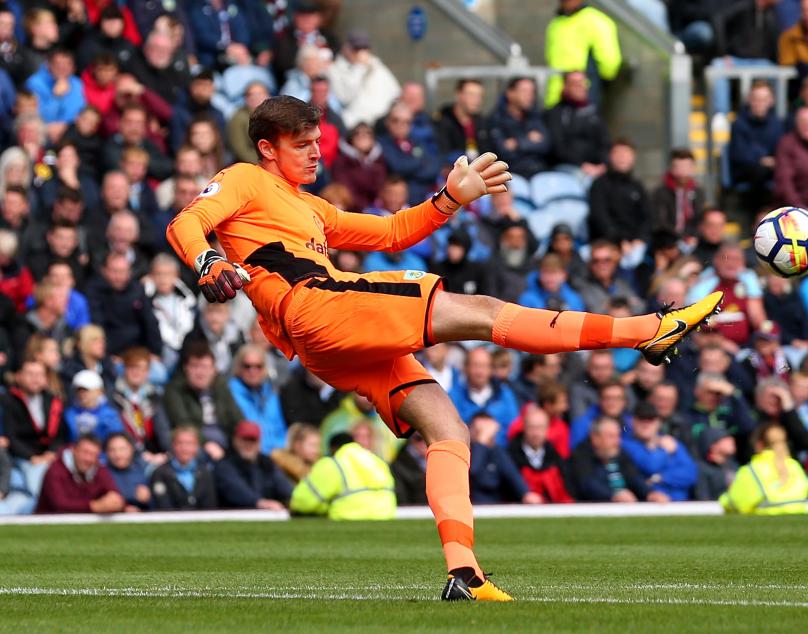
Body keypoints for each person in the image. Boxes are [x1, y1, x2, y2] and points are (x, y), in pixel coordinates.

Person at [165, 95, 723, 601]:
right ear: (267, 147)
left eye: (317, 141)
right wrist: (207, 260)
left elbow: (387, 234)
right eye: (301, 144)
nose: (315, 153)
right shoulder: (243, 178)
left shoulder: (312, 208)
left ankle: (464, 573)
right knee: (479, 311)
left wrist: (450, 198)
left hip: (325, 342)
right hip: (318, 306)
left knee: (448, 430)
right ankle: (649, 329)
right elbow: (188, 222)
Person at [1, 359, 68, 504]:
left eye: (39, 375)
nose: (35, 379)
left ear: (45, 379)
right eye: (30, 374)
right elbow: (11, 436)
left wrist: (52, 452)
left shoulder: (53, 401)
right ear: (19, 376)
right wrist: (32, 457)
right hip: (22, 457)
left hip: (49, 455)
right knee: (35, 480)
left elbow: (60, 434)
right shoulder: (8, 401)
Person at [163, 341, 244, 461]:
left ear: (213, 370)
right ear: (186, 369)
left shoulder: (221, 387)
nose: (200, 373)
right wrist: (206, 444)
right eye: (195, 366)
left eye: (205, 367)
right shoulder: (175, 390)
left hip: (226, 442)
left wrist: (244, 437)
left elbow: (236, 418)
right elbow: (183, 422)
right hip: (196, 445)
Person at [85, 252, 163, 358]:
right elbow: (97, 326)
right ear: (104, 271)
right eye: (114, 271)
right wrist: (107, 357)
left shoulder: (138, 290)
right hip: (107, 354)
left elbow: (150, 322)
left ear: (129, 272)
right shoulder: (94, 291)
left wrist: (155, 352)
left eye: (123, 271)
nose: (118, 276)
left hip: (137, 353)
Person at [544, 0, 621, 107]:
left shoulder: (596, 21)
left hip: (583, 98)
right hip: (555, 100)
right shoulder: (555, 25)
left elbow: (610, 65)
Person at [720, 424, 808, 514]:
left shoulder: (752, 470)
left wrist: (725, 498)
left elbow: (735, 503)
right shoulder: (795, 466)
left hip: (765, 519)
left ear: (759, 445)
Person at [622, 402, 697, 502]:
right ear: (633, 421)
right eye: (641, 419)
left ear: (658, 422)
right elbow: (650, 465)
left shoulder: (671, 442)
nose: (646, 424)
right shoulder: (626, 444)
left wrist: (659, 478)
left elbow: (691, 474)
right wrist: (663, 451)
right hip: (647, 504)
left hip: (680, 503)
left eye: (650, 419)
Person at [34, 434, 125, 514]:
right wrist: (94, 506)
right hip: (48, 526)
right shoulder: (55, 470)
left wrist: (116, 502)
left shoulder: (100, 470)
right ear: (74, 450)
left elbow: (114, 494)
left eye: (93, 455)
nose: (88, 459)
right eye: (85, 452)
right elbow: (60, 505)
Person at [327, 30, 400, 129]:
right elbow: (345, 98)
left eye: (364, 48)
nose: (361, 52)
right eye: (356, 48)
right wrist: (359, 68)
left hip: (381, 123)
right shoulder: (335, 69)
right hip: (354, 124)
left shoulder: (376, 65)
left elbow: (396, 92)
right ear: (346, 48)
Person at [729, 80, 783, 213]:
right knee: (759, 171)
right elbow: (738, 152)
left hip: (772, 170)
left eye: (764, 99)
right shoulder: (739, 123)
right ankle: (758, 214)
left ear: (771, 101)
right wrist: (762, 159)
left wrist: (777, 161)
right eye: (756, 99)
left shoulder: (777, 124)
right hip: (746, 171)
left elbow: (783, 148)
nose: (759, 103)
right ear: (749, 100)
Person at [569, 416, 651, 503]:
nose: (617, 441)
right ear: (595, 438)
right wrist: (613, 495)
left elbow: (634, 476)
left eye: (618, 436)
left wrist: (649, 493)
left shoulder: (620, 453)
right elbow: (589, 485)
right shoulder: (581, 456)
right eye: (611, 436)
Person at [214, 420, 292, 509]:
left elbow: (284, 487)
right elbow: (236, 490)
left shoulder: (267, 463)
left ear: (259, 442)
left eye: (252, 440)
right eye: (245, 439)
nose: (248, 444)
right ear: (235, 440)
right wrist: (259, 502)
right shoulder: (225, 464)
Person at [545, 70, 609, 175]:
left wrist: (603, 165)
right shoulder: (555, 113)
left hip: (595, 168)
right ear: (565, 87)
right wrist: (582, 165)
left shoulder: (593, 112)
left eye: (583, 82)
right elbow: (558, 147)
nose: (580, 87)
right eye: (575, 83)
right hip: (567, 166)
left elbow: (604, 142)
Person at [587, 139, 648, 246]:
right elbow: (600, 218)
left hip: (635, 244)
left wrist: (640, 239)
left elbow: (647, 217)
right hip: (606, 242)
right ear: (610, 157)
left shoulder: (638, 186)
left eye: (626, 154)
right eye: (618, 153)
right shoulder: (599, 184)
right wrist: (619, 241)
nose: (622, 157)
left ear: (633, 158)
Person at [506, 405, 573, 503]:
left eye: (540, 428)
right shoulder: (510, 456)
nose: (536, 433)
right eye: (532, 428)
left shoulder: (555, 457)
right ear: (524, 427)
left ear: (547, 429)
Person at [228, 344, 287, 454]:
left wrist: (279, 449)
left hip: (277, 453)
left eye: (258, 366)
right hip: (249, 453)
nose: (253, 371)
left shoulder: (271, 393)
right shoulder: (230, 393)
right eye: (247, 366)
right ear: (239, 367)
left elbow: (280, 428)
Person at [487, 77, 550, 179]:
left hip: (539, 171)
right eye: (524, 91)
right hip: (511, 174)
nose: (529, 96)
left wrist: (517, 143)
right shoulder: (496, 119)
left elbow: (545, 146)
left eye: (532, 92)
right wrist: (529, 140)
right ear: (510, 93)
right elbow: (503, 151)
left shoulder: (536, 116)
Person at [149, 426, 217, 510]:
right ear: (173, 445)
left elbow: (210, 506)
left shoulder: (205, 473)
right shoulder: (160, 473)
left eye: (189, 443)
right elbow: (163, 506)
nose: (184, 448)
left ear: (197, 446)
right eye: (180, 443)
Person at [649, 148, 705, 241]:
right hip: (668, 241)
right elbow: (659, 222)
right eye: (679, 167)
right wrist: (680, 238)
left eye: (687, 167)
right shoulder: (660, 192)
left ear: (693, 169)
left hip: (694, 240)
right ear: (671, 168)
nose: (683, 171)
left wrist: (693, 237)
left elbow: (700, 219)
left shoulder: (698, 191)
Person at [433, 78, 489, 164]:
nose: (476, 100)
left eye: (479, 96)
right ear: (458, 95)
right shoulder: (443, 122)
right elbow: (442, 154)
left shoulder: (482, 123)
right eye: (471, 94)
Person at [64, 370, 125, 443]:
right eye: (79, 390)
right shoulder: (68, 414)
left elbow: (116, 441)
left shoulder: (110, 416)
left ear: (99, 391)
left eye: (86, 390)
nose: (82, 394)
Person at [693, 427, 738, 501]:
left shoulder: (734, 466)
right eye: (725, 438)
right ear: (713, 446)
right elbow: (703, 499)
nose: (731, 440)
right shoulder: (702, 469)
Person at [391, 431, 428, 506]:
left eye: (427, 438)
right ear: (411, 439)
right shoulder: (398, 466)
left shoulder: (441, 459)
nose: (424, 443)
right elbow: (402, 500)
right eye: (419, 438)